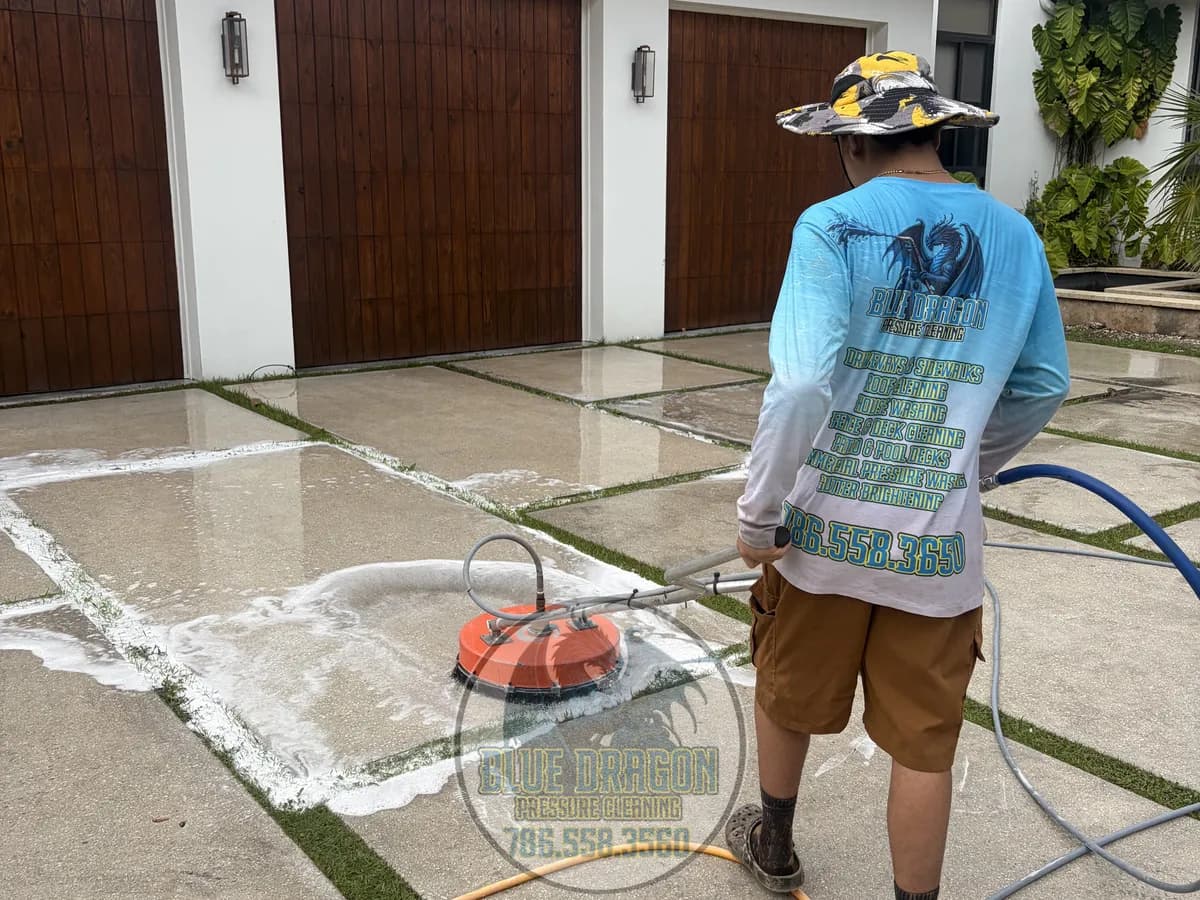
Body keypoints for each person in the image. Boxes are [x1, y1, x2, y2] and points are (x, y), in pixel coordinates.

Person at [725, 52, 1071, 899]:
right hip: (936, 550)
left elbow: (802, 385)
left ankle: (773, 845)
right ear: (935, 132)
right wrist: (964, 463)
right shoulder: (1015, 235)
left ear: (853, 143)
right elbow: (1041, 386)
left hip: (819, 538)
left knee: (786, 692)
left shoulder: (833, 225)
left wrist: (758, 516)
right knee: (924, 744)